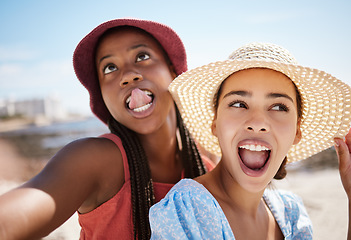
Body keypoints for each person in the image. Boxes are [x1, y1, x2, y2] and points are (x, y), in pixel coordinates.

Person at [0, 18, 214, 240]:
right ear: (103, 95)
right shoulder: (94, 160)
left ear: (172, 71)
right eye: (110, 67)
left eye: (142, 56)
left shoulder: (206, 168)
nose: (128, 75)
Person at [149, 42, 351, 239]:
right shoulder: (187, 212)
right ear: (215, 123)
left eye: (279, 107)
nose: (257, 123)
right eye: (238, 103)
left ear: (297, 130)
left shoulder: (291, 214)